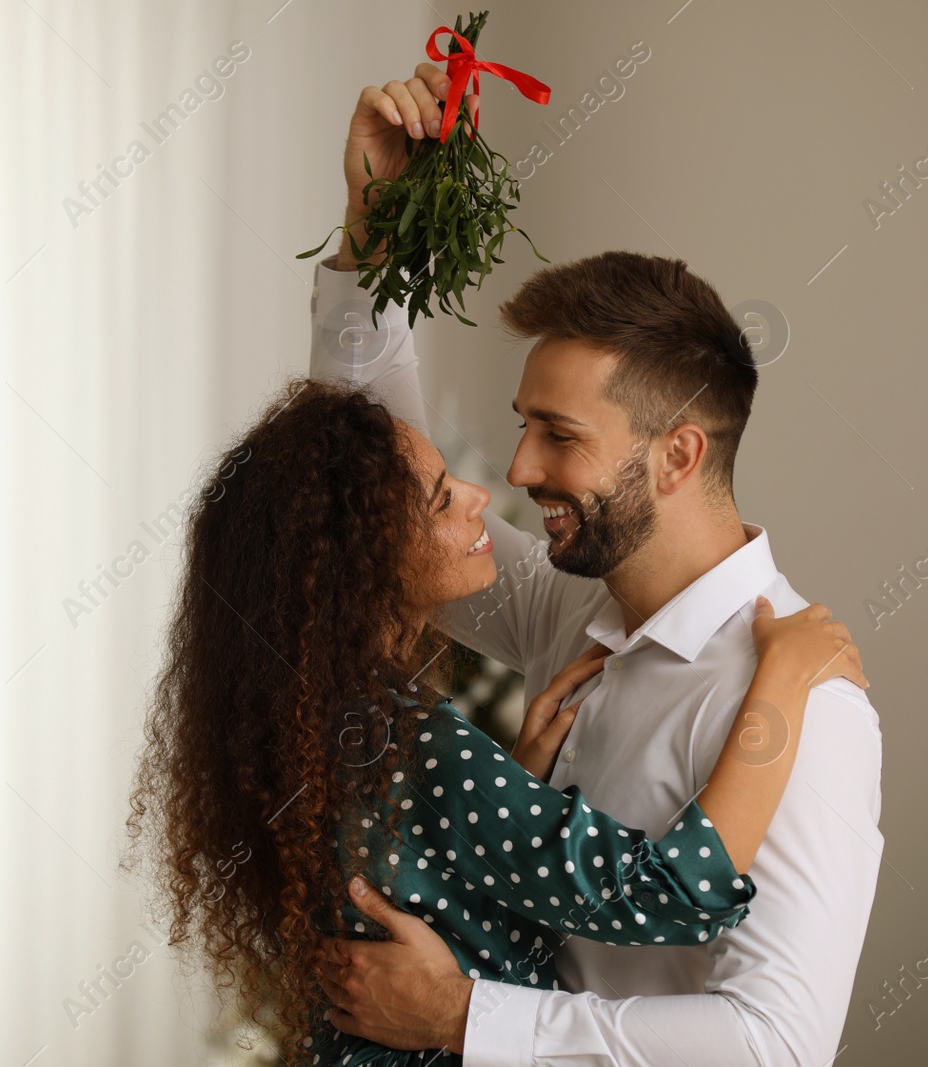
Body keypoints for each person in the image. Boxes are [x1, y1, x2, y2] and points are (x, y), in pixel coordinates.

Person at [307, 65, 887, 1067]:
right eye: (524, 425)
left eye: (558, 435)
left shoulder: (809, 706)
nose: (520, 467)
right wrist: (372, 225)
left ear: (677, 455)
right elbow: (386, 481)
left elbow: (773, 1044)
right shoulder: (566, 609)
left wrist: (464, 1020)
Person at [127, 378, 868, 1065]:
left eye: (557, 431)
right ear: (367, 553)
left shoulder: (335, 725)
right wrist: (782, 679)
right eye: (442, 498)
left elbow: (437, 886)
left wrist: (509, 784)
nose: (487, 492)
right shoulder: (413, 741)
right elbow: (668, 892)